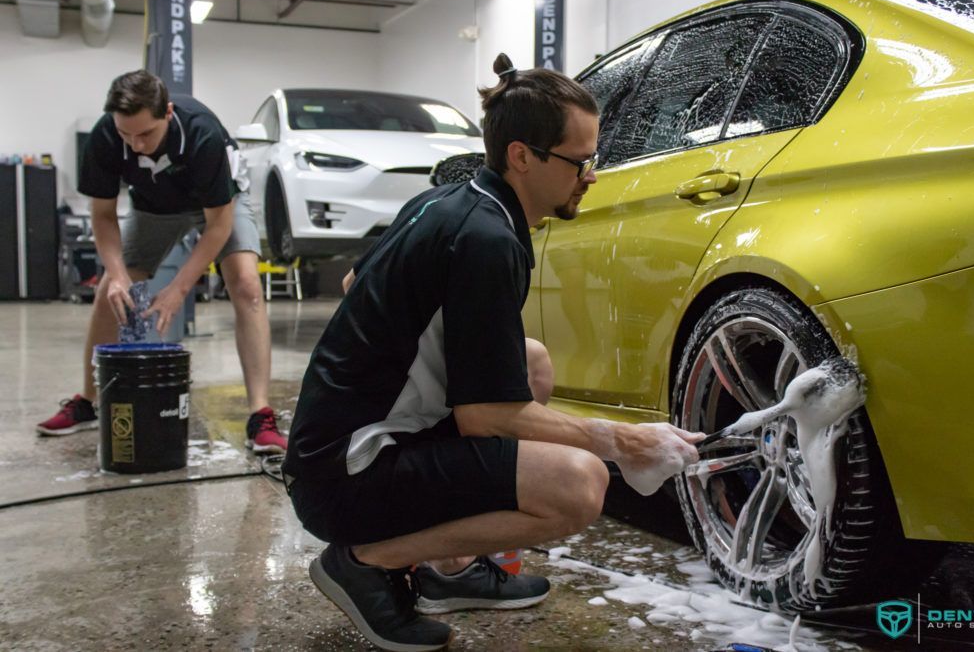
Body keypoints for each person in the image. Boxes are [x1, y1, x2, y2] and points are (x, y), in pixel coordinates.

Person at [282, 53, 703, 652]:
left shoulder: (450, 201)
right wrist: (626, 441)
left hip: (335, 449)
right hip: (346, 477)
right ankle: (367, 561)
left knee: (529, 361)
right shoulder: (486, 239)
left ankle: (446, 567)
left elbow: (357, 287)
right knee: (579, 483)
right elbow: (487, 417)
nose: (591, 175)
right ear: (522, 156)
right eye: (580, 161)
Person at [36, 70, 287, 454]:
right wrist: (118, 274)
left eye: (146, 134)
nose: (136, 146)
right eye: (126, 135)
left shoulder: (201, 134)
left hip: (220, 205)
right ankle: (87, 401)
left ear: (167, 113)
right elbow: (103, 215)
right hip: (155, 208)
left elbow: (218, 225)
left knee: (247, 285)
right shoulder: (106, 136)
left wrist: (178, 289)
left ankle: (260, 416)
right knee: (109, 291)